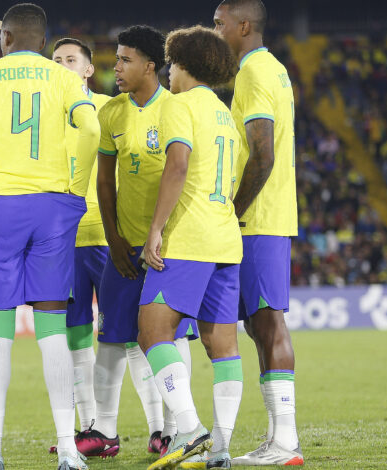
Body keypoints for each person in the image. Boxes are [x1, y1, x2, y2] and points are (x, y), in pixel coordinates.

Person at [0, 4, 100, 469]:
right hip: (52, 205)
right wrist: (75, 187)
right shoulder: (63, 78)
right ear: (43, 42)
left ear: (5, 39)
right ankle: (69, 450)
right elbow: (91, 127)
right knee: (52, 328)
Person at [88, 25, 200, 460]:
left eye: (125, 60)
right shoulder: (112, 113)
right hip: (125, 246)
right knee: (111, 338)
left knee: (171, 338)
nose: (115, 67)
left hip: (170, 248)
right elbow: (104, 181)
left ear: (150, 66)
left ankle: (174, 431)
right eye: (116, 59)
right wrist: (113, 237)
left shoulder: (176, 108)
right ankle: (104, 430)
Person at [137, 26, 242, 470]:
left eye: (171, 63)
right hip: (225, 240)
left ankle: (188, 426)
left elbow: (177, 165)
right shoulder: (225, 114)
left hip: (190, 238)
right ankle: (220, 449)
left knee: (151, 332)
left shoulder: (179, 105)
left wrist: (156, 229)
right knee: (223, 347)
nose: (167, 71)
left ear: (184, 64)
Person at [214, 1, 303, 465]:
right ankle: (277, 437)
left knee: (268, 322)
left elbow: (262, 153)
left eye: (220, 24)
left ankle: (286, 441)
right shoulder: (273, 69)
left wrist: (232, 211)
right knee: (258, 324)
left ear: (244, 26)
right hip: (269, 215)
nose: (215, 31)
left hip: (259, 219)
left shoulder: (252, 72)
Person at [50, 35, 110, 445]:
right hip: (63, 240)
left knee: (125, 333)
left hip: (108, 235)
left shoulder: (110, 108)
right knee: (75, 334)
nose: (62, 66)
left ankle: (162, 428)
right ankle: (89, 426)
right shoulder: (44, 115)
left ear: (88, 69)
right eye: (56, 60)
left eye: (70, 60)